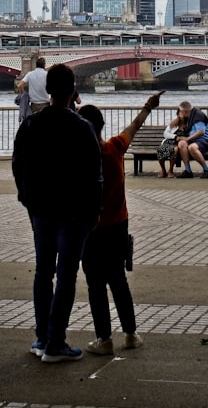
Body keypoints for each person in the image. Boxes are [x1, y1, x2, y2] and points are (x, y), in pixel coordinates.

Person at [12, 63, 102, 363]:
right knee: (66, 275)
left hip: (41, 210)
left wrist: (27, 199)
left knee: (43, 272)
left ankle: (41, 338)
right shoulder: (82, 127)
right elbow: (94, 173)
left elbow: (17, 165)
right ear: (72, 90)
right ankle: (56, 342)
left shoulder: (30, 126)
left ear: (48, 89)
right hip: (75, 211)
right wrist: (95, 211)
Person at [77, 92, 162, 356]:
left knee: (95, 284)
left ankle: (104, 338)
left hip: (91, 228)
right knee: (118, 280)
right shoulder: (115, 148)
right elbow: (133, 128)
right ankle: (131, 333)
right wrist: (148, 107)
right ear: (102, 127)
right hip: (118, 225)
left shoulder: (81, 160)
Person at [173, 101, 208, 179]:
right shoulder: (190, 116)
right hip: (195, 139)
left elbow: (201, 132)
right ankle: (188, 171)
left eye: (180, 111)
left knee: (192, 147)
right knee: (182, 144)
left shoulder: (198, 115)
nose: (180, 113)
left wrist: (188, 138)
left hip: (205, 139)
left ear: (184, 111)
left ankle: (206, 170)